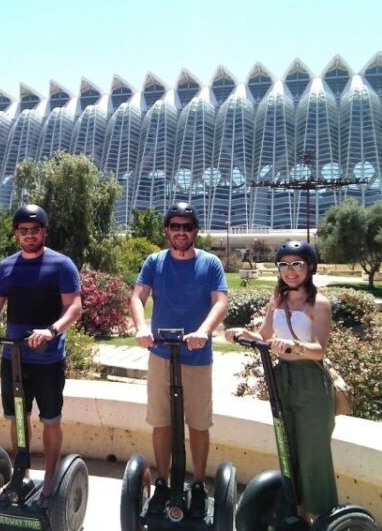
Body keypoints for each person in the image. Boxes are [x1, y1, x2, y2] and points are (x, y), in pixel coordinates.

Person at [225, 240, 338, 525]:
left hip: (310, 382)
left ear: (309, 267)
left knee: (313, 457)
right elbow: (264, 336)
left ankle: (319, 518)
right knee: (288, 454)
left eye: (297, 264)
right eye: (284, 265)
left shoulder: (319, 303)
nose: (290, 271)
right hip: (282, 379)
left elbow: (319, 350)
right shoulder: (277, 301)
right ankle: (295, 516)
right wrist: (241, 333)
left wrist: (294, 346)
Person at [0, 204, 81, 506]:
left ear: (44, 232)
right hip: (14, 356)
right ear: (16, 234)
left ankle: (49, 479)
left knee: (50, 419)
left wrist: (52, 330)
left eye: (35, 230)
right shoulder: (8, 266)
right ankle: (20, 472)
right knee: (16, 417)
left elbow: (74, 306)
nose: (30, 235)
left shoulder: (61, 265)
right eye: (24, 231)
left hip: (47, 359)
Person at [130, 202, 228, 519]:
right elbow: (137, 297)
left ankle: (198, 483)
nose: (181, 232)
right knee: (161, 421)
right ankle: (161, 481)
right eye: (175, 226)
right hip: (161, 354)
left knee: (198, 423)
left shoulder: (210, 263)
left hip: (197, 356)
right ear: (167, 230)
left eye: (187, 227)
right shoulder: (154, 262)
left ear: (195, 231)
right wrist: (142, 327)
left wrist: (203, 330)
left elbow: (220, 302)